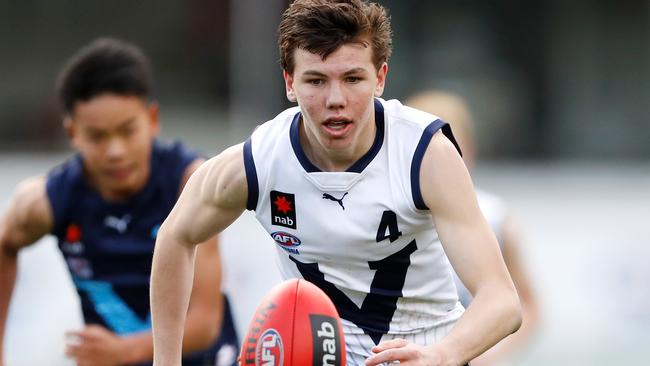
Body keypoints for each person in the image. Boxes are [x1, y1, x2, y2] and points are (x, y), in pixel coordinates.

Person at [150, 1, 521, 365]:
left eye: (353, 78)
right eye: (315, 80)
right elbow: (175, 236)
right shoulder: (257, 161)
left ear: (380, 78)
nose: (335, 99)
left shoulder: (426, 155)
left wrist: (442, 354)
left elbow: (502, 301)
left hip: (424, 349)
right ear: (289, 83)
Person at [0, 38, 238, 366]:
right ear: (73, 133)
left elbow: (205, 324)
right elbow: (5, 242)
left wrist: (121, 351)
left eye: (127, 131)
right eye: (98, 137)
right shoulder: (46, 202)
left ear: (152, 119)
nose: (116, 151)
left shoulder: (191, 184)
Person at [406, 90, 540, 365]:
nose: (440, 157)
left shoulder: (495, 216)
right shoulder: (387, 213)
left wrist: (485, 353)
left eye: (452, 146)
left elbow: (528, 306)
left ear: (470, 149)